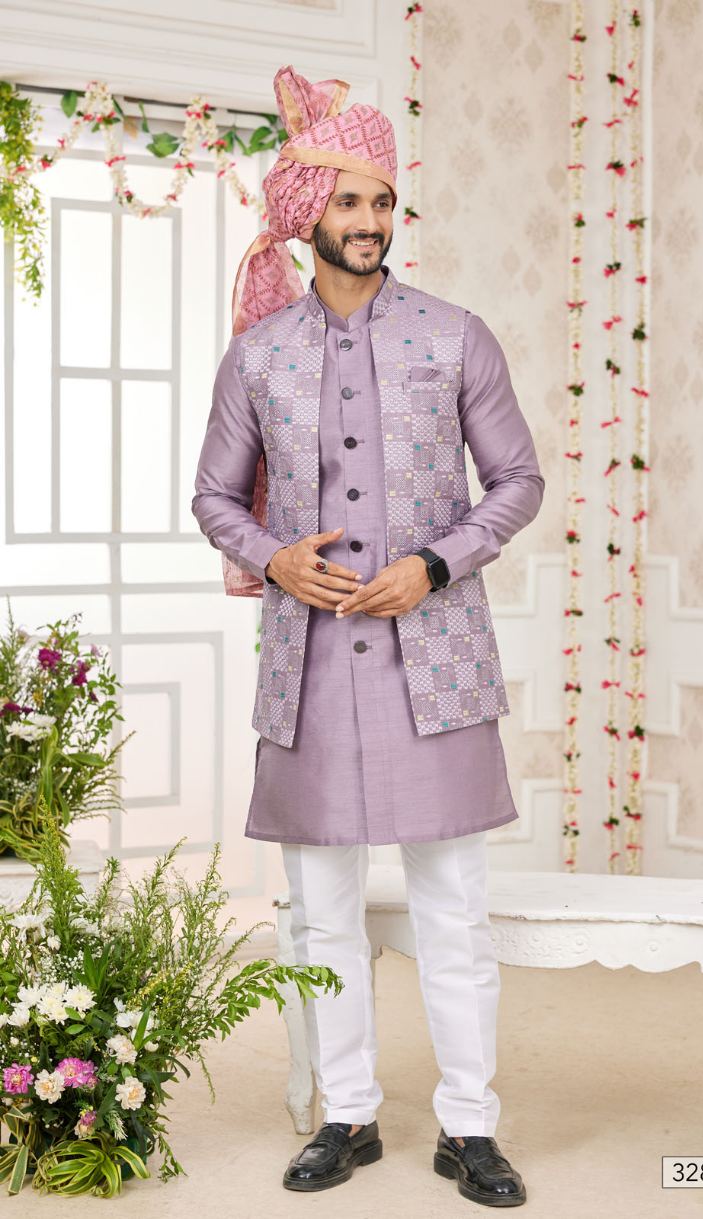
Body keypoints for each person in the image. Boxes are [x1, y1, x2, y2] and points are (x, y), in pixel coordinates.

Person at [191, 64, 544, 1208]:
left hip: (435, 667)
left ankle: (470, 1127)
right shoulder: (259, 355)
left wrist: (433, 564)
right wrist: (274, 557)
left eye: (382, 201)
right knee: (320, 915)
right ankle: (347, 1115)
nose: (369, 221)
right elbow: (213, 497)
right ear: (307, 212)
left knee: (454, 912)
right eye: (348, 201)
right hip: (308, 673)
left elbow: (520, 480)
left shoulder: (455, 337)